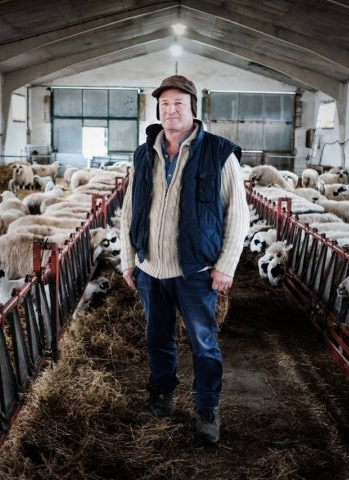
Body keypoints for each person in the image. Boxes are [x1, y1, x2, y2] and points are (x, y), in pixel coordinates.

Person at [119, 75, 250, 444]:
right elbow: (130, 209)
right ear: (157, 110)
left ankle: (207, 408)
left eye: (178, 103)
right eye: (164, 104)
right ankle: (161, 398)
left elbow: (237, 213)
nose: (170, 110)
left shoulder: (218, 152)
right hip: (150, 269)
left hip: (195, 270)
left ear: (194, 108)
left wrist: (227, 264)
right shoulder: (145, 152)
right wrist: (128, 259)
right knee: (157, 339)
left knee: (203, 342)